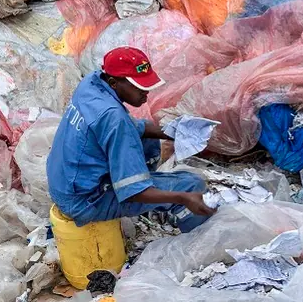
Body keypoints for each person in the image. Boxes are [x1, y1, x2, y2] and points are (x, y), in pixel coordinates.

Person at [47, 47, 214, 233]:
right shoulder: (114, 118)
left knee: (147, 140)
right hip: (84, 202)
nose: (146, 94)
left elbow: (133, 127)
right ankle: (197, 240)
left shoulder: (91, 84)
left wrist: (178, 132)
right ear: (113, 82)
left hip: (64, 184)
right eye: (139, 87)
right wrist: (183, 198)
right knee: (192, 185)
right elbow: (120, 127)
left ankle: (142, 188)